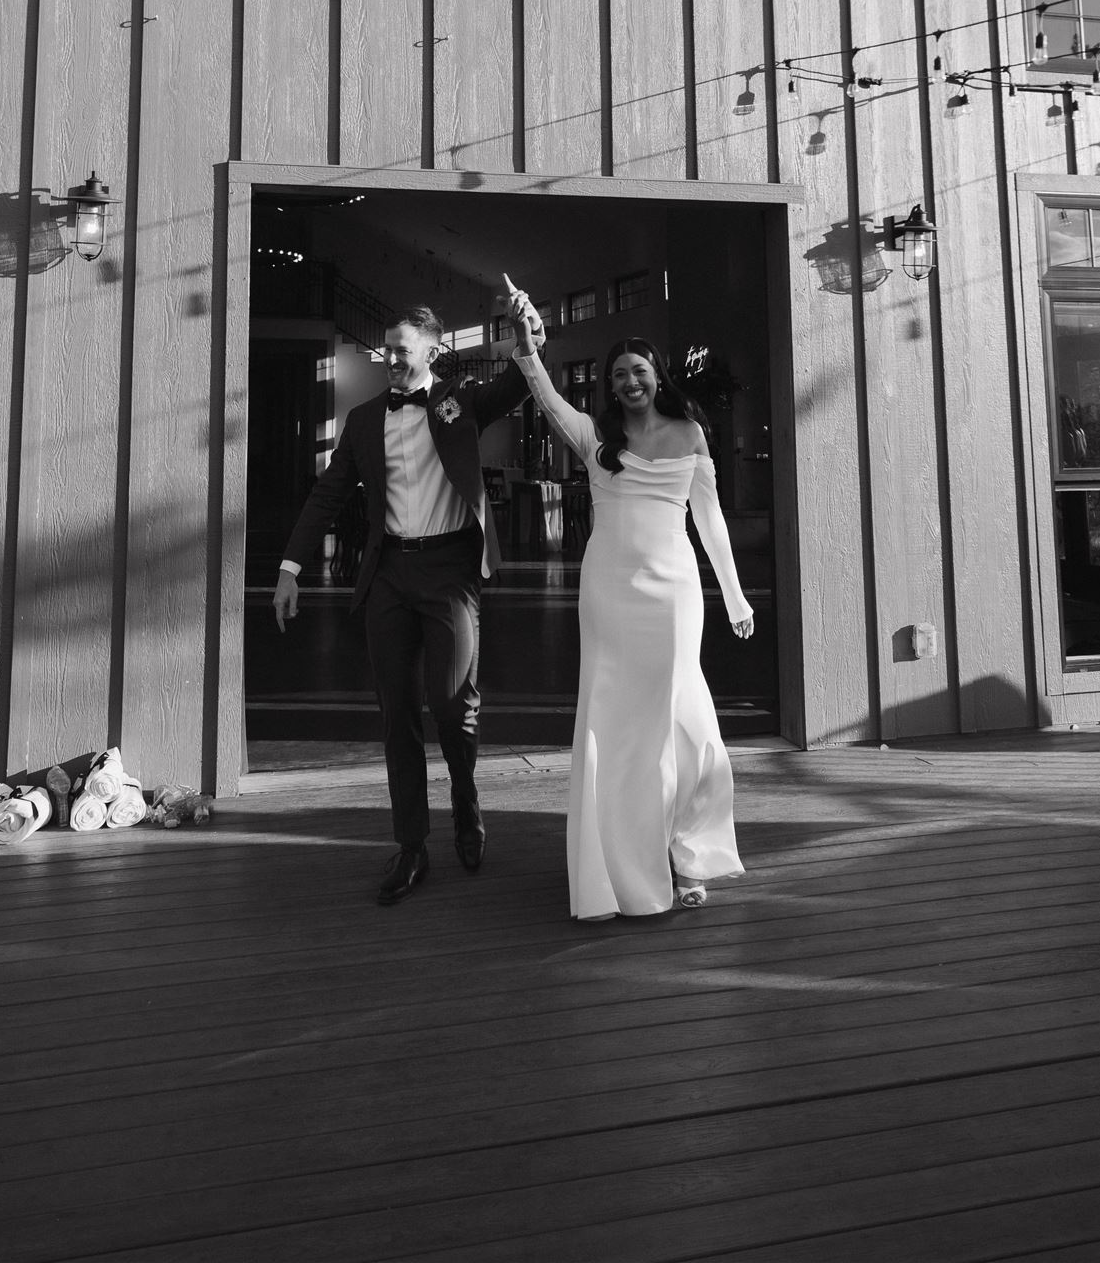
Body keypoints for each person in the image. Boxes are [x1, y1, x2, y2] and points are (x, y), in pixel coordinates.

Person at [274, 304, 542, 905]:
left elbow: (519, 384)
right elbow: (328, 493)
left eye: (402, 348)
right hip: (389, 574)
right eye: (387, 350)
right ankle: (412, 845)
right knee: (398, 715)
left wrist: (527, 341)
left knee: (451, 706)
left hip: (450, 571)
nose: (391, 358)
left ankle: (466, 804)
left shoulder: (460, 402)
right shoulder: (365, 419)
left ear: (431, 350)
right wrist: (290, 567)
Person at [507, 284, 754, 919]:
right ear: (610, 387)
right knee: (615, 729)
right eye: (618, 375)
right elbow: (548, 398)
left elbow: (712, 519)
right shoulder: (595, 437)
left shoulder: (691, 432)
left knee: (680, 726)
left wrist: (733, 595)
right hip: (609, 592)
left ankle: (683, 851)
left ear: (656, 376)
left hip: (673, 593)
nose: (628, 382)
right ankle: (621, 870)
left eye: (638, 371)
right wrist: (528, 345)